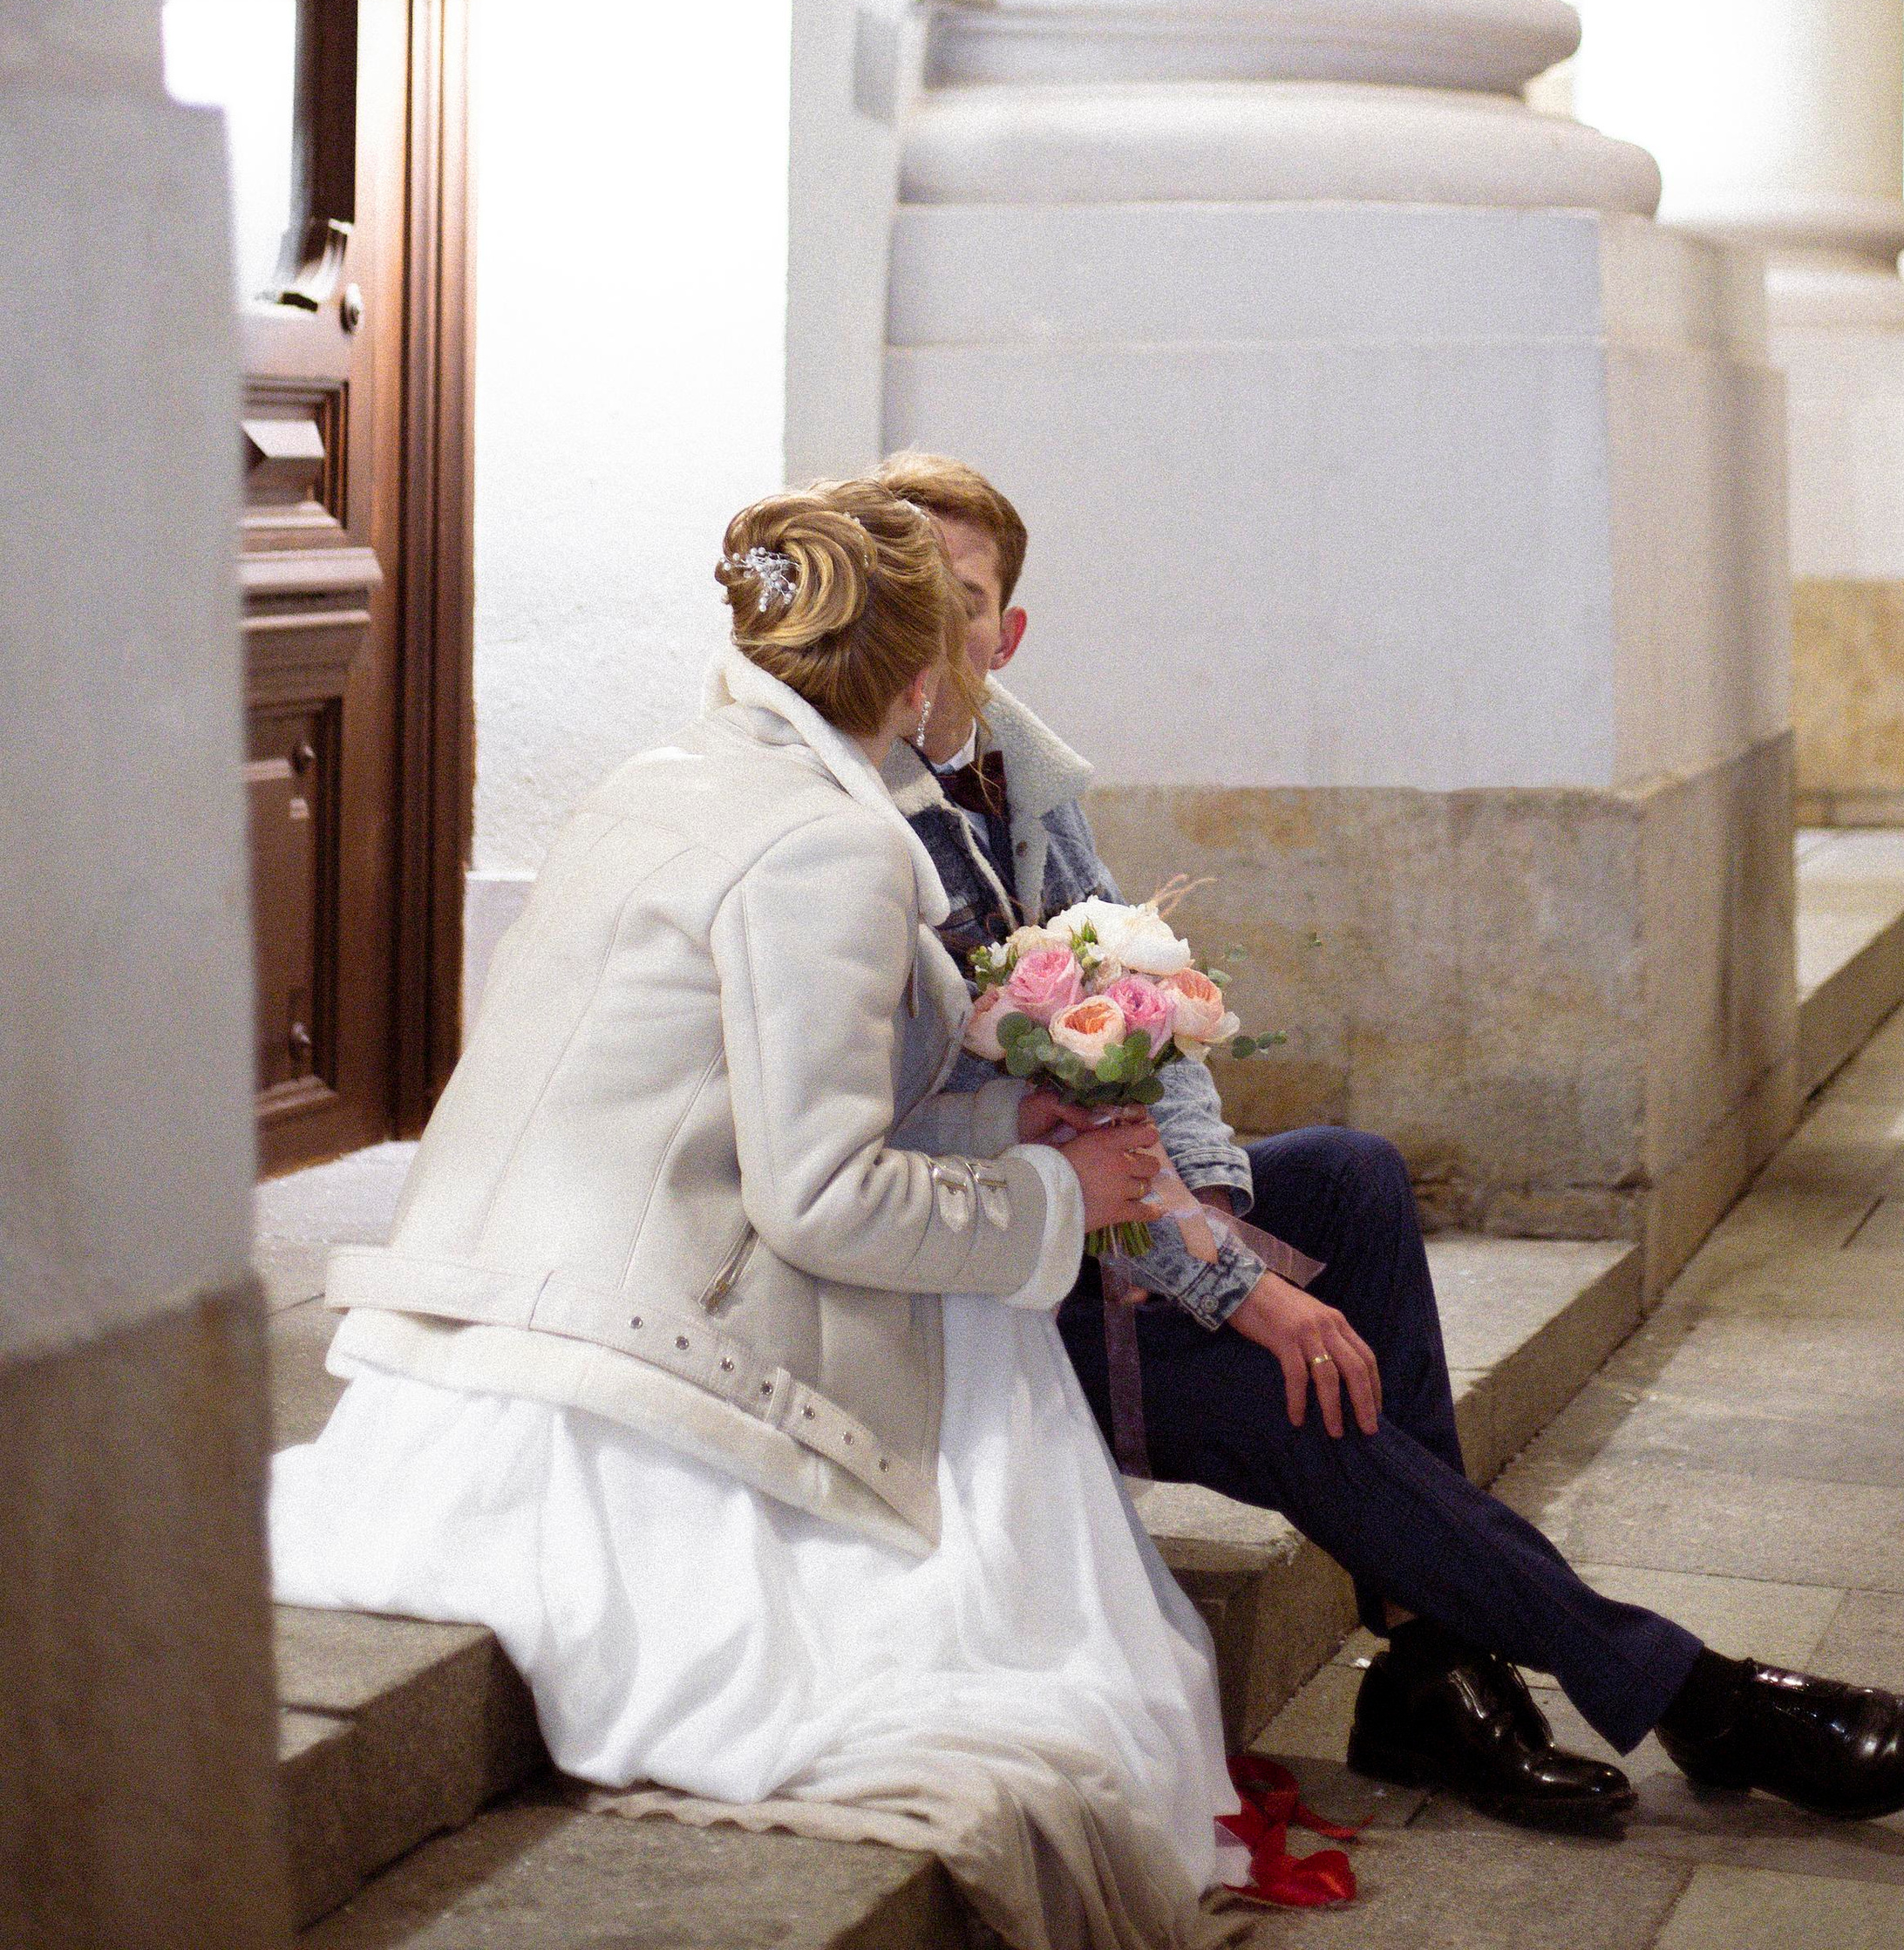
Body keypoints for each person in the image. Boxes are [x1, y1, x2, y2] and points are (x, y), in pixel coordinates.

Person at [872, 451, 1904, 1836]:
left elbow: (1144, 1042)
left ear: (1005, 630)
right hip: (976, 1293)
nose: (928, 624)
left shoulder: (1020, 779)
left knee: (1352, 1175)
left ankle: (1435, 1662)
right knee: (1294, 1387)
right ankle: (1682, 1691)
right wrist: (1237, 1287)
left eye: (960, 595)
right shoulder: (868, 827)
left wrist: (1209, 1218)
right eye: (899, 587)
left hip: (1096, 1227)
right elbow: (999, 1116)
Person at [269, 483, 1248, 1950]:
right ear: (922, 680)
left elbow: (726, 1094)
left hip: (471, 1313)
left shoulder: (665, 773)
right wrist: (1057, 1191)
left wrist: (994, 1114)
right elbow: (822, 1199)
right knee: (1016, 1608)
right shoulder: (831, 848)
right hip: (627, 1352)